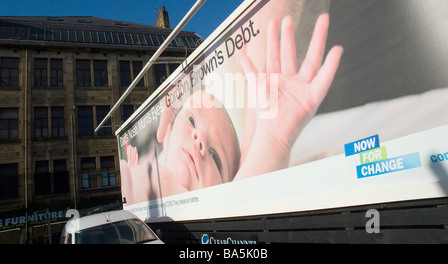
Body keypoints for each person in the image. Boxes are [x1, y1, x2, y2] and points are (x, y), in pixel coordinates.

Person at [120, 13, 343, 204]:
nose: (199, 140)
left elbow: (245, 194)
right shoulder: (152, 163)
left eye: (216, 158)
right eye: (190, 120)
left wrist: (274, 140)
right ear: (166, 140)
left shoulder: (212, 205)